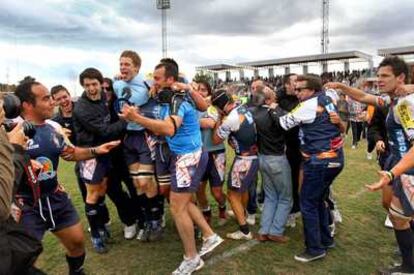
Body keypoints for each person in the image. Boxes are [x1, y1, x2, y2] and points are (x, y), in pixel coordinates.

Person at [120, 62, 223, 275]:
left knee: (177, 207)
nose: (153, 83)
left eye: (157, 79)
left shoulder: (177, 98)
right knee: (182, 202)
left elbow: (168, 128)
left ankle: (192, 258)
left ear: (170, 80)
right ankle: (209, 236)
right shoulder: (168, 95)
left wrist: (137, 118)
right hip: (184, 156)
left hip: (188, 157)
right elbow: (201, 107)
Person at [14, 80, 119, 274]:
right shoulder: (11, 131)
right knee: (24, 258)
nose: (52, 102)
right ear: (27, 105)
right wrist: (23, 161)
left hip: (55, 197)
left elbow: (71, 153)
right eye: (46, 99)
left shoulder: (53, 127)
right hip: (25, 204)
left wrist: (96, 150)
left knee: (77, 242)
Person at [325, 56, 414, 274]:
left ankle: (409, 267)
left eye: (385, 76)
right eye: (379, 75)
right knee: (395, 211)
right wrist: (342, 86)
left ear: (401, 78)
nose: (379, 80)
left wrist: (393, 174)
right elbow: (365, 96)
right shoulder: (392, 100)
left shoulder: (405, 105)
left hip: (407, 168)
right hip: (398, 163)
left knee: (399, 216)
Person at [279, 74, 345, 262]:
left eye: (300, 89)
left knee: (307, 202)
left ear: (312, 90)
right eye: (296, 88)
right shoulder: (327, 97)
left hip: (319, 160)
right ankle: (326, 239)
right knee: (319, 200)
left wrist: (274, 109)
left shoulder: (307, 105)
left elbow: (284, 123)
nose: (296, 92)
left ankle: (315, 248)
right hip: (334, 158)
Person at [73, 68, 131, 253]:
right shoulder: (82, 107)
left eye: (94, 84)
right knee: (92, 194)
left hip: (104, 154)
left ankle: (101, 227)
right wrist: (126, 120)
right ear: (83, 85)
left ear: (100, 84)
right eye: (87, 85)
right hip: (91, 155)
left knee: (102, 190)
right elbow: (104, 130)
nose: (91, 88)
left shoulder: (102, 99)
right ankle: (96, 234)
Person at [113, 50, 160, 240]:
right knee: (136, 184)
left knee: (145, 181)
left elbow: (175, 78)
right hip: (128, 137)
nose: (123, 67)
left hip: (144, 135)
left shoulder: (147, 82)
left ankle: (157, 220)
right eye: (121, 64)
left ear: (137, 67)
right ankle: (147, 220)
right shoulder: (117, 84)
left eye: (127, 64)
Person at [212, 89, 259, 240]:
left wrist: (219, 118)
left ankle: (244, 230)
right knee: (242, 190)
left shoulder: (230, 119)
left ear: (221, 107)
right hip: (252, 157)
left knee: (232, 194)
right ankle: (243, 214)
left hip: (243, 160)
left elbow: (216, 140)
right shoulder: (242, 108)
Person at [251, 87, 292, 243]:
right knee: (285, 198)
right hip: (276, 159)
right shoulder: (273, 113)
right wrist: (277, 110)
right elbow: (288, 123)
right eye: (272, 95)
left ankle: (264, 230)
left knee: (270, 196)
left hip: (263, 158)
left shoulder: (255, 113)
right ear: (267, 100)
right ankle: (275, 231)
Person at [195, 80, 227, 226]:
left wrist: (189, 121)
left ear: (209, 93)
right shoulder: (190, 107)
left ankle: (222, 206)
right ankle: (206, 211)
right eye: (197, 89)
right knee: (199, 189)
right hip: (198, 153)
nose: (200, 92)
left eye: (204, 90)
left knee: (217, 191)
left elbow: (210, 124)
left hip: (216, 153)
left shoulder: (212, 108)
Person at [276, 73, 302, 228]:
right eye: (294, 81)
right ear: (286, 84)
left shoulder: (303, 97)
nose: (297, 84)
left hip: (304, 145)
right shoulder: (278, 99)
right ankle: (291, 212)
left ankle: (331, 209)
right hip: (286, 146)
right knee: (288, 181)